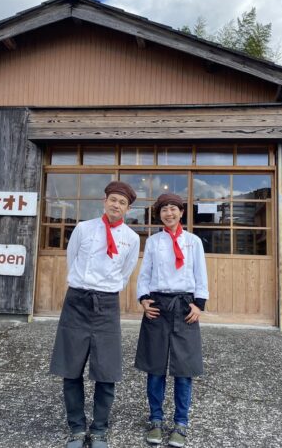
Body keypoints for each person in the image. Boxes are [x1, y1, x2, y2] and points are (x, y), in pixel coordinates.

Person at [49, 180, 140, 448]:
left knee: (106, 370)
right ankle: (76, 428)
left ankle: (99, 429)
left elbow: (125, 272)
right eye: (113, 199)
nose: (116, 205)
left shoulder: (132, 239)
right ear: (104, 201)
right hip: (77, 301)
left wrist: (104, 292)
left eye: (122, 202)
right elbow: (71, 258)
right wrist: (84, 287)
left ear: (127, 209)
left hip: (107, 305)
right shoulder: (83, 228)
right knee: (71, 368)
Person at [135, 193, 209, 447]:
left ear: (181, 212)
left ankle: (181, 423)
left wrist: (199, 304)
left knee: (184, 369)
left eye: (173, 209)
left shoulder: (193, 241)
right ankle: (156, 419)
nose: (169, 213)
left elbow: (201, 274)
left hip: (185, 306)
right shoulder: (154, 242)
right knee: (155, 367)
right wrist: (144, 299)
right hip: (158, 306)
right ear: (159, 214)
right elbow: (145, 274)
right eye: (164, 209)